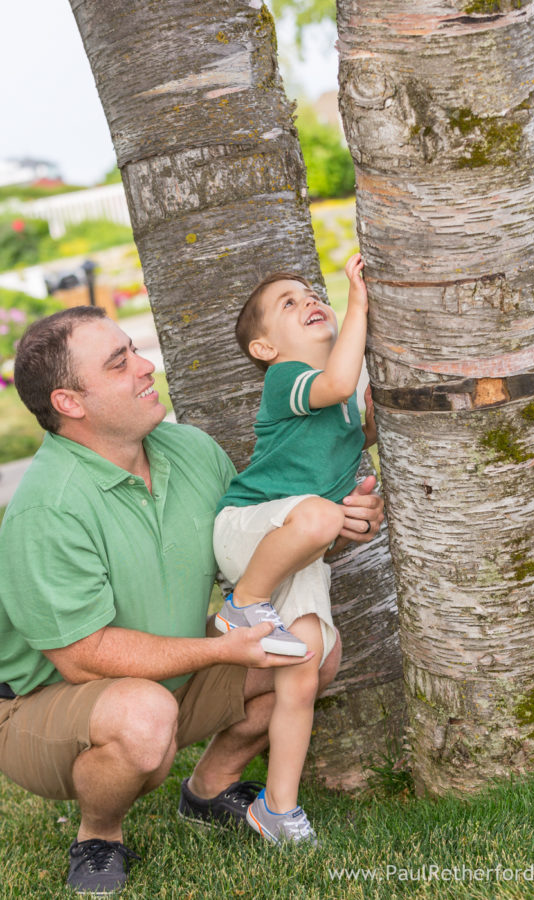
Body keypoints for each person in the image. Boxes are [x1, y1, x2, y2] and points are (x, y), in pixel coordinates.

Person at [0, 304, 384, 895]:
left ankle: (209, 789)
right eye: (119, 363)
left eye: (134, 350)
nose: (145, 366)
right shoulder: (47, 509)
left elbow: (250, 546)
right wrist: (225, 649)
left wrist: (336, 524)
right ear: (69, 402)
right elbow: (83, 658)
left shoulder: (189, 450)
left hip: (169, 667)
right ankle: (99, 835)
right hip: (43, 705)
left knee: (309, 647)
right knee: (143, 716)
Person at [212, 253, 376, 845]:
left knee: (303, 665)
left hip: (300, 550)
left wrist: (363, 504)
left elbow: (361, 416)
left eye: (312, 293)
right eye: (289, 302)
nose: (310, 300)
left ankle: (277, 809)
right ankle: (241, 605)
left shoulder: (345, 397)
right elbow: (337, 383)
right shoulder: (287, 379)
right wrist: (358, 301)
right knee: (318, 515)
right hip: (249, 532)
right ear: (265, 349)